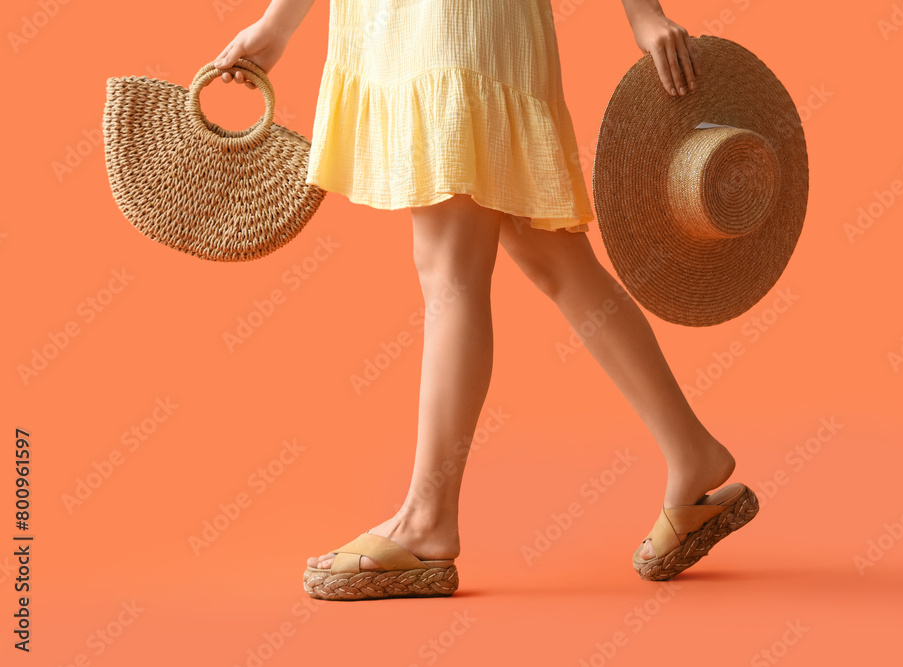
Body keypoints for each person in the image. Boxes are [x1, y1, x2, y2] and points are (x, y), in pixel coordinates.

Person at [212, 0, 743, 599]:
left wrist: (643, 13)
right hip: (443, 26)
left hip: (446, 26)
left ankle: (427, 518)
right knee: (550, 256)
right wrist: (276, 27)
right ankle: (691, 449)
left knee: (450, 271)